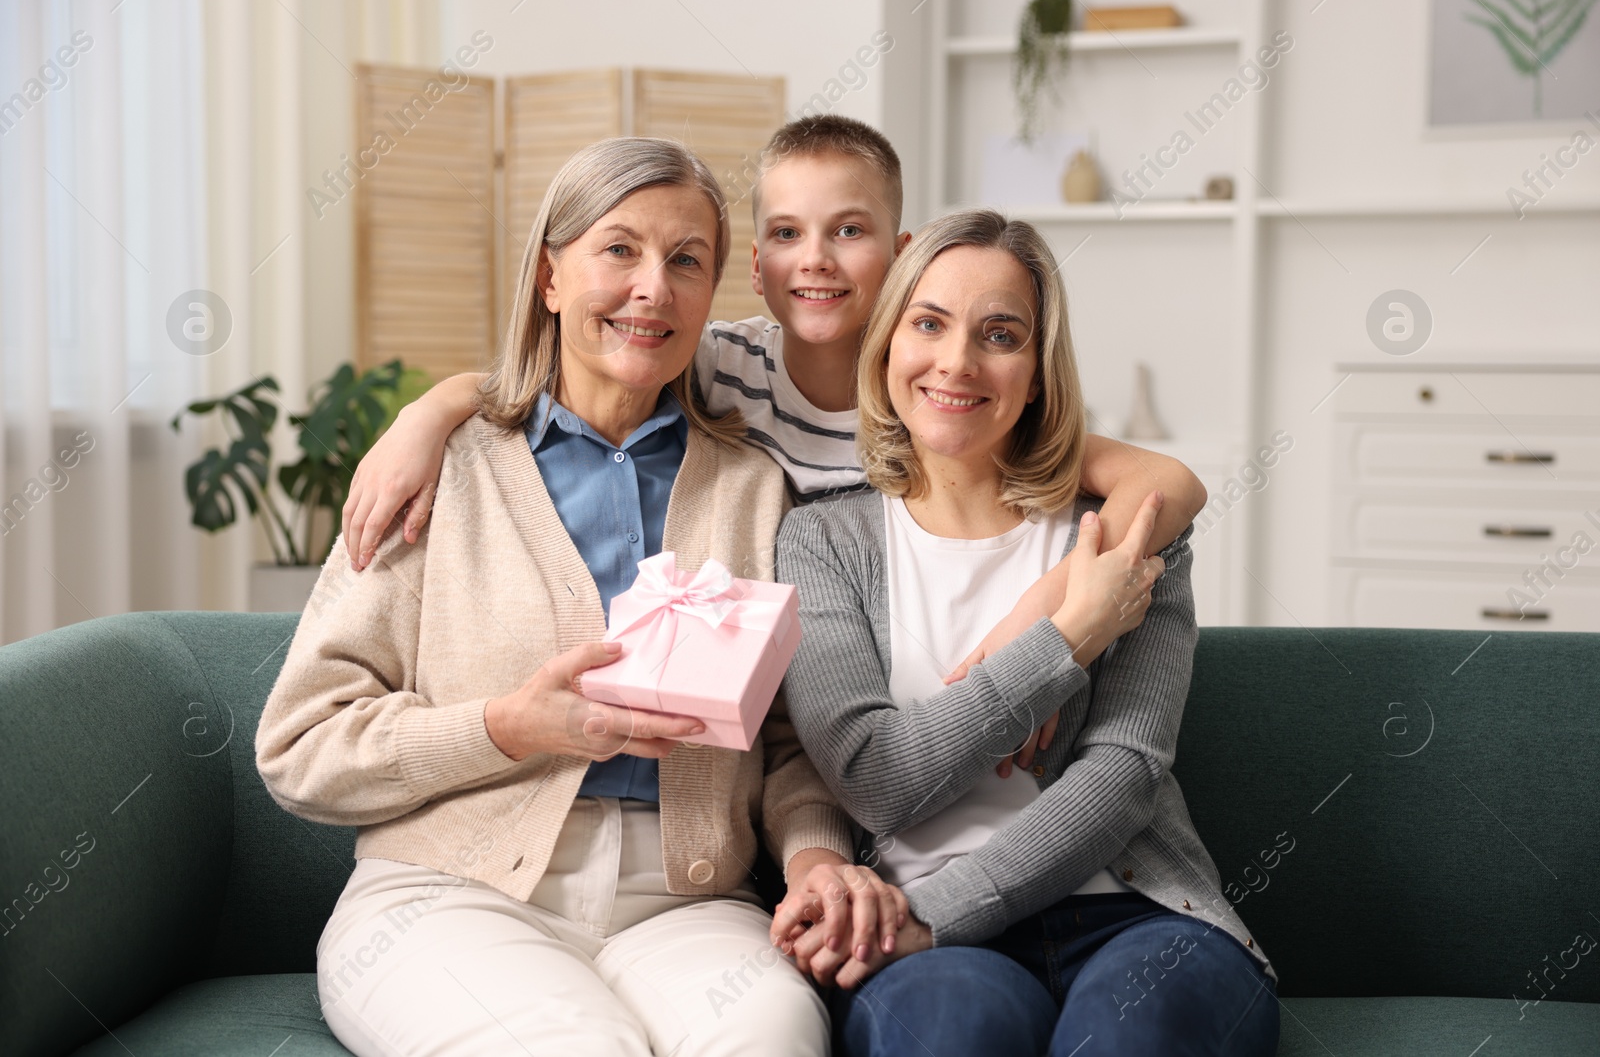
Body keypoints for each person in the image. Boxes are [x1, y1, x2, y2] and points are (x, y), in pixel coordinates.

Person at [340, 113, 1208, 776]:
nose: (817, 260)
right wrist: (431, 414)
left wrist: (1044, 618)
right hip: (766, 718)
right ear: (755, 268)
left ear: (902, 258)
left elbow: (1167, 482)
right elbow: (563, 372)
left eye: (851, 231)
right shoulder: (713, 361)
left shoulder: (938, 395)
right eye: (788, 234)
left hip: (897, 696)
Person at [255, 137, 876, 1057]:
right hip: (450, 896)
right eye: (618, 249)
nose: (653, 288)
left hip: (688, 904)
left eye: (685, 260)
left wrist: (816, 853)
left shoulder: (753, 486)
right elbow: (300, 746)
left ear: (714, 296)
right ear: (550, 276)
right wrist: (508, 725)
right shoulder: (442, 472)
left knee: (773, 1038)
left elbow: (792, 740)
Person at [771, 209, 1280, 1057]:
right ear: (889, 346)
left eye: (999, 334)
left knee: (1132, 1036)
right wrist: (1062, 638)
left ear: (1038, 373)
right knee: (949, 1037)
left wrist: (934, 915)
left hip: (1135, 911)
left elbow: (1124, 774)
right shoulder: (821, 540)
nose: (957, 361)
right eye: (928, 323)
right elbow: (877, 779)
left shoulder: (1124, 535)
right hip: (920, 930)